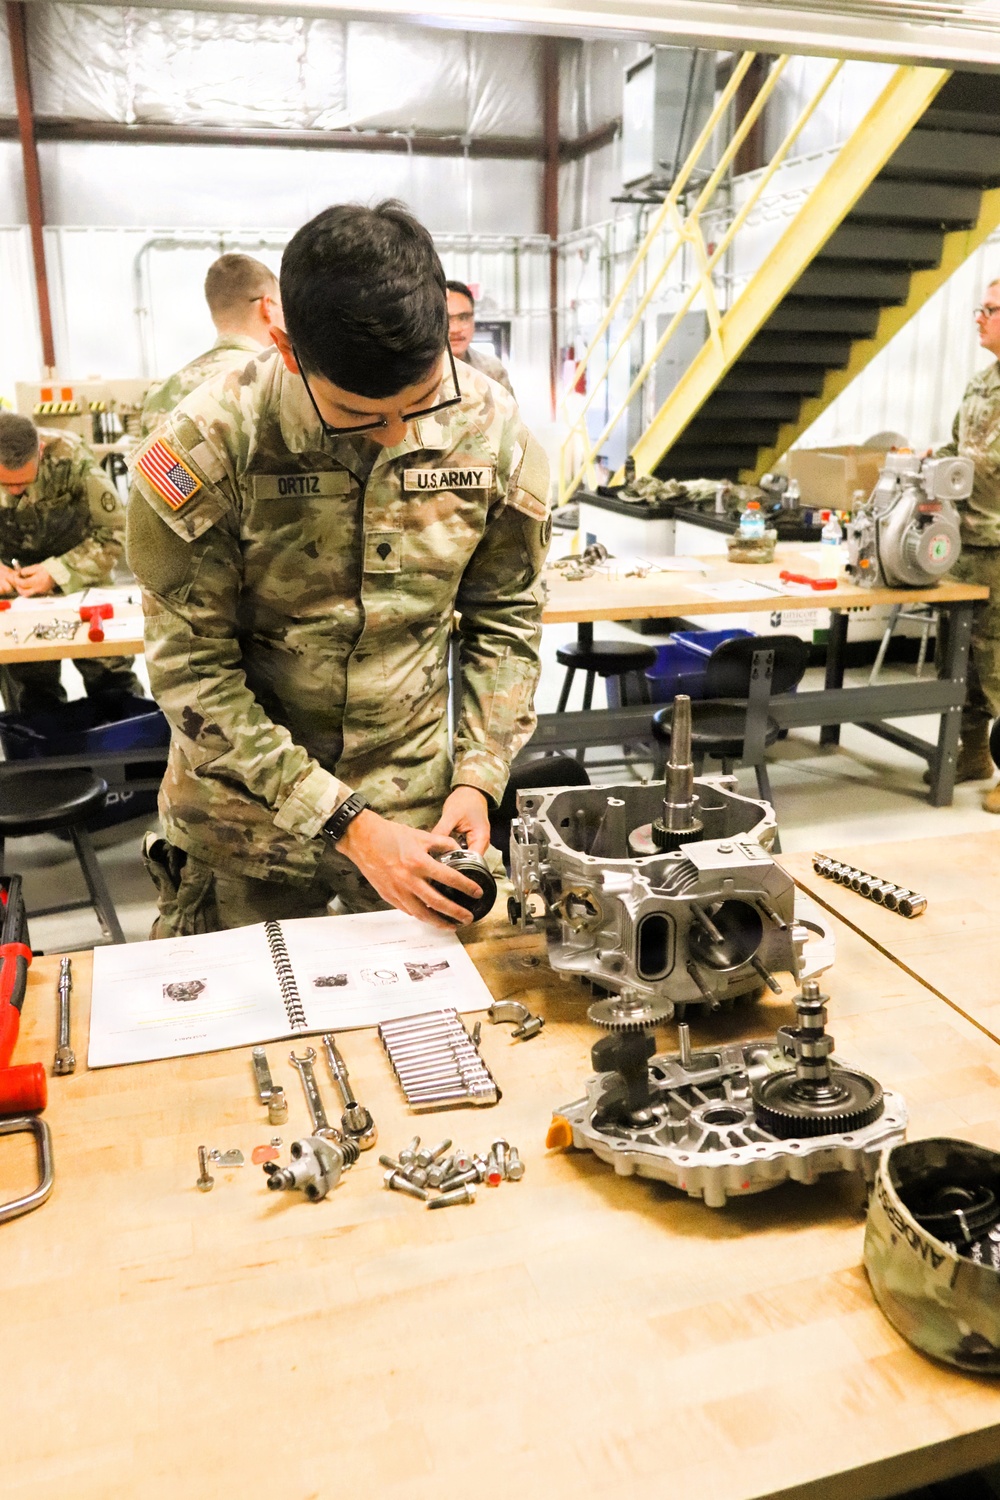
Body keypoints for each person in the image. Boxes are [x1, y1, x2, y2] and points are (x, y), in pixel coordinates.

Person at [127, 201, 550, 937]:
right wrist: (347, 825)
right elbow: (194, 674)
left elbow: (505, 615)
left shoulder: (493, 429)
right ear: (287, 348)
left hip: (418, 818)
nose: (394, 435)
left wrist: (480, 777)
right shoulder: (207, 446)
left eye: (420, 402)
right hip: (245, 835)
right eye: (359, 414)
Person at [0, 412, 142, 712]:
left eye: (23, 482)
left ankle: (129, 752)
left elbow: (114, 533)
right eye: (4, 484)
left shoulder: (71, 455)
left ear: (39, 452)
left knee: (111, 678)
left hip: (82, 573)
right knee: (29, 686)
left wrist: (56, 572)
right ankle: (42, 754)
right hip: (16, 588)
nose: (14, 491)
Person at [938, 280, 1000, 810]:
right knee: (963, 660)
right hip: (968, 540)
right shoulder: (981, 384)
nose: (979, 318)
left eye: (991, 310)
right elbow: (958, 448)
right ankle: (974, 752)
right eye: (980, 308)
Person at [140, 253, 283, 437]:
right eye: (281, 305)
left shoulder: (162, 394)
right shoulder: (281, 382)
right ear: (266, 307)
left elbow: (154, 465)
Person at [446, 280, 515, 397]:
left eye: (463, 318)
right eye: (446, 319)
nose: (455, 329)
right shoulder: (417, 372)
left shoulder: (493, 370)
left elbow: (511, 414)